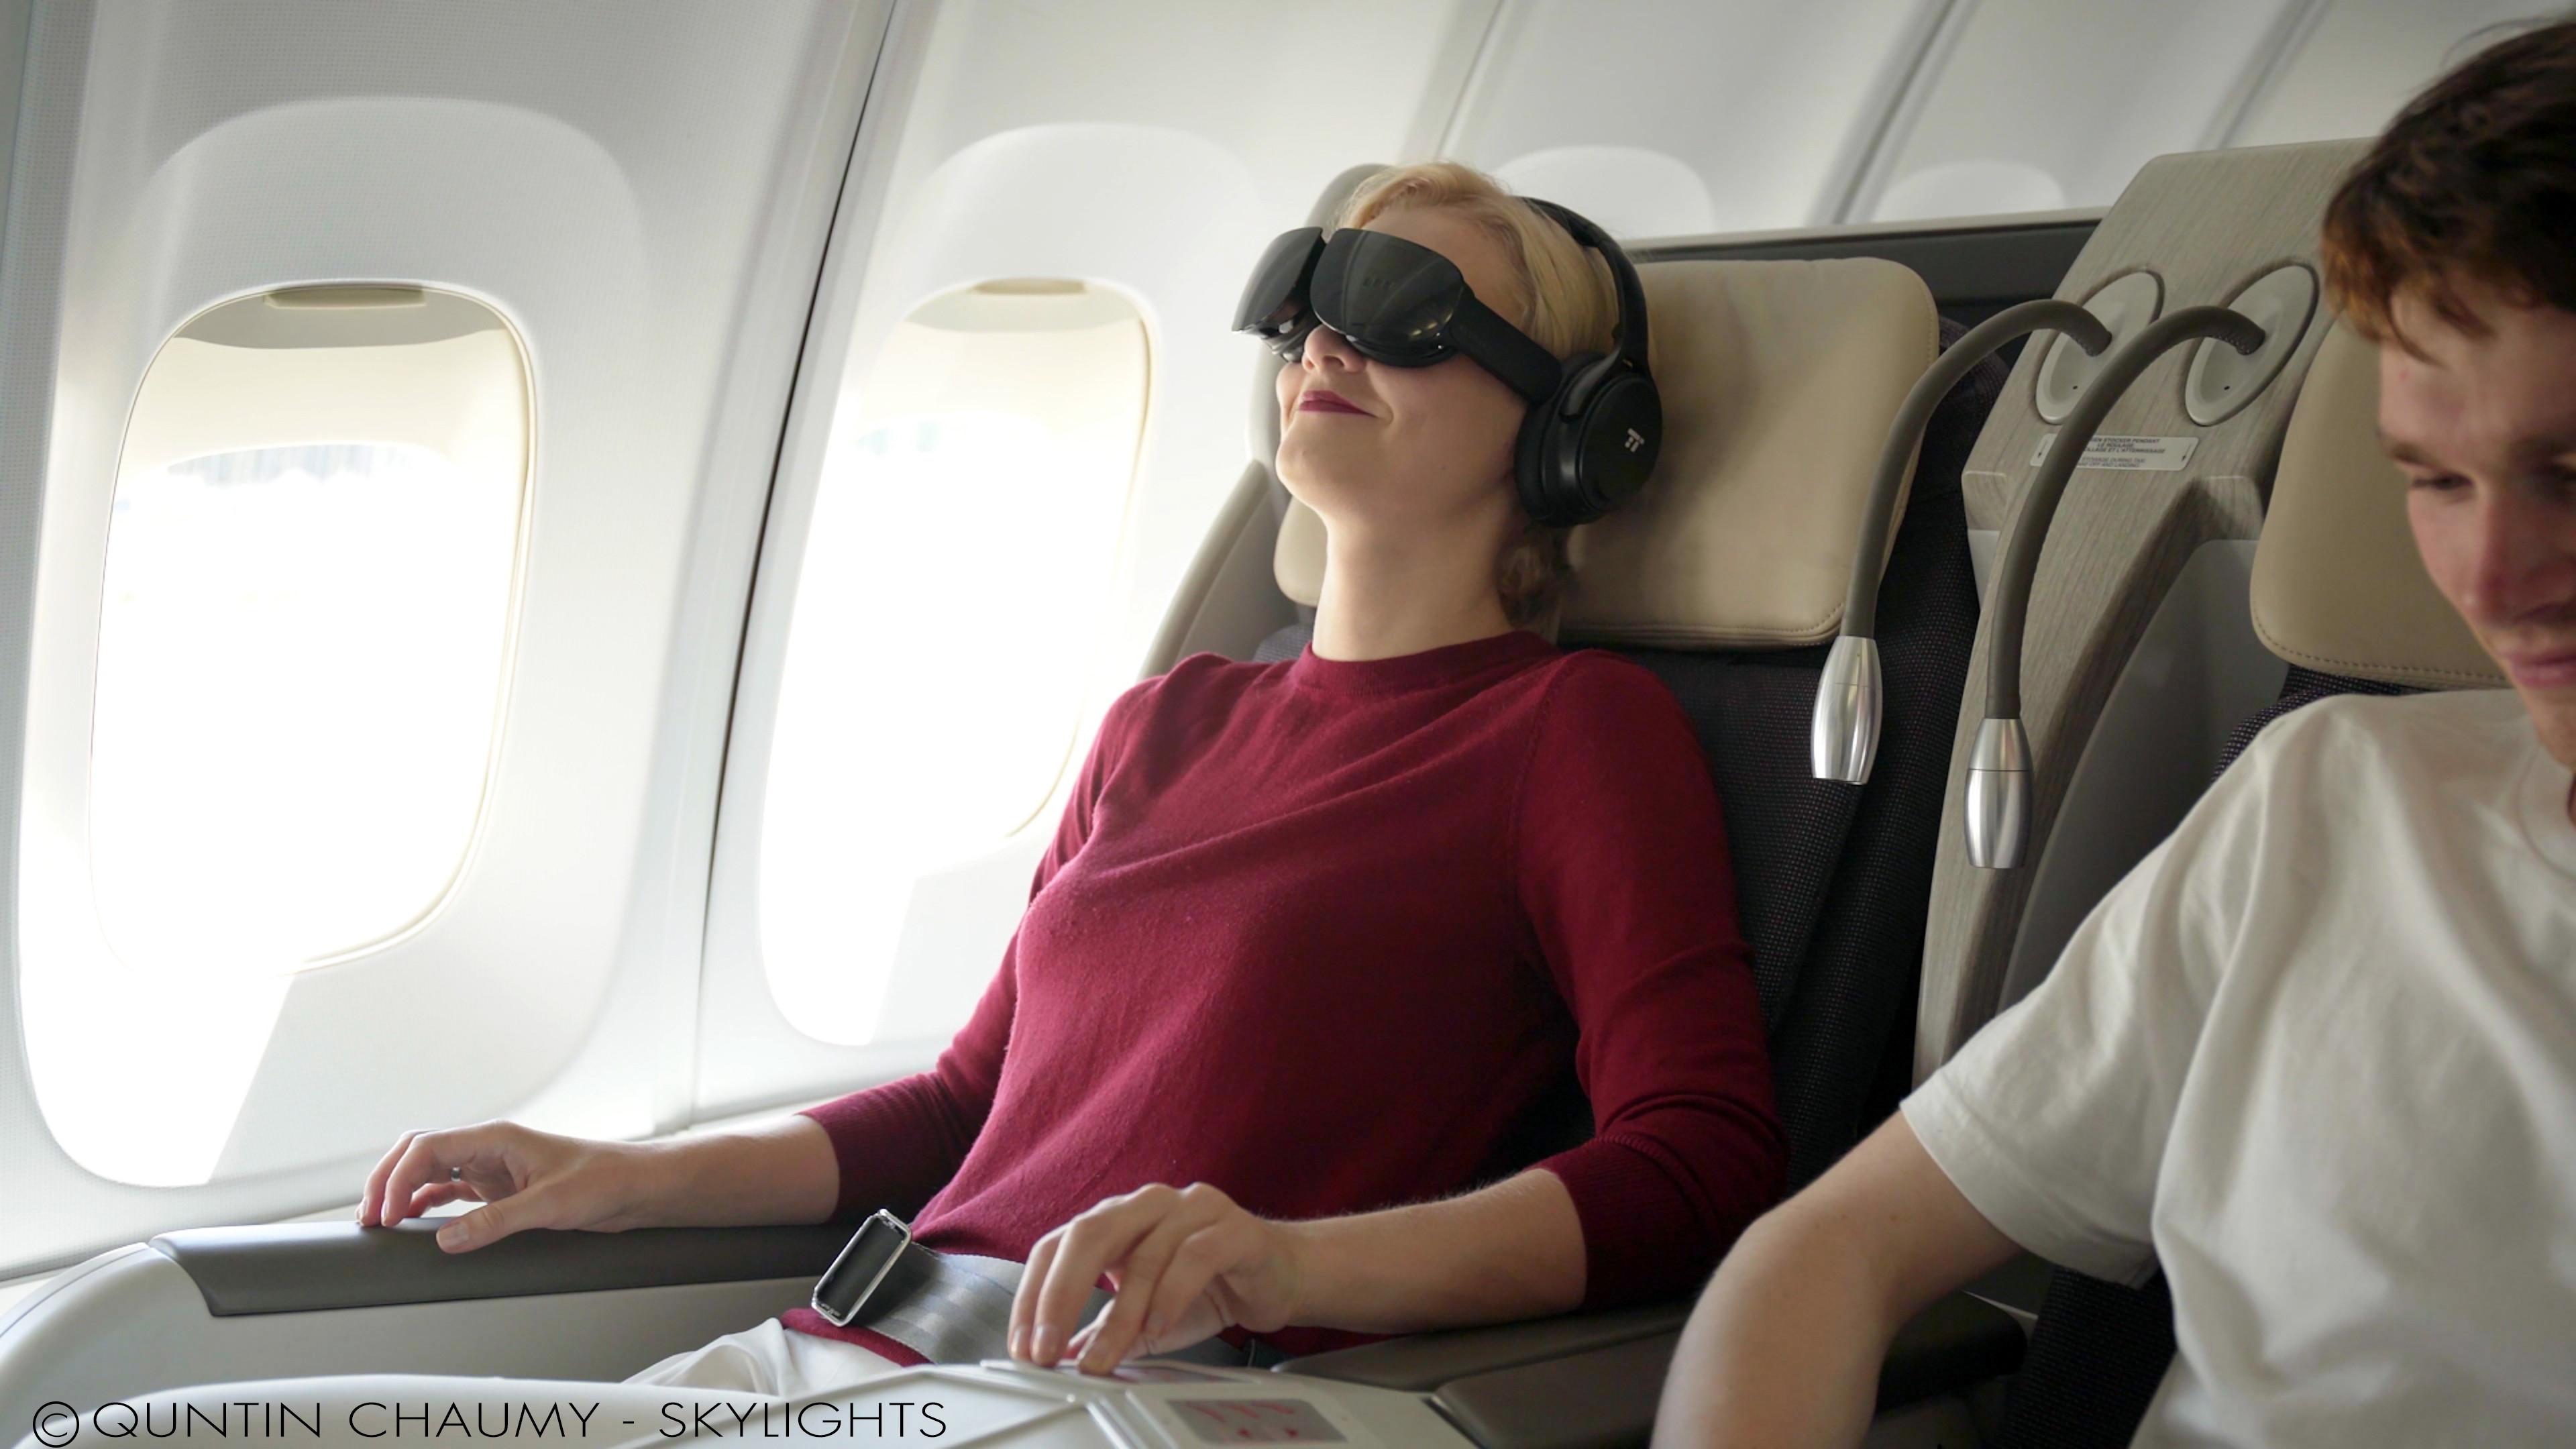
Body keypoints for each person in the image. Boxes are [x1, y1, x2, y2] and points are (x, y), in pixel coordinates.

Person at [359, 162, 1786, 1396]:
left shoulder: (1570, 731)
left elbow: (1703, 1161)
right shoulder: (1165, 723)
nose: (1326, 348)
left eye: (1406, 313)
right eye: (1311, 308)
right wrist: (612, 1176)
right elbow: (965, 1105)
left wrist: (1280, 1266)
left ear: (1568, 430)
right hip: (841, 1350)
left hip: (1118, 1393)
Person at [1652, 23, 2576, 1449]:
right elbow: (1831, 1250)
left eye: (2567, 473)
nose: (2491, 584)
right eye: (2435, 480)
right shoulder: (2327, 802)